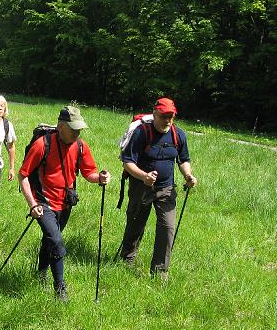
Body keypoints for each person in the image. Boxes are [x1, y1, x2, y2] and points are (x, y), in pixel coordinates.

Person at [19, 106, 110, 301]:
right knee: (56, 241)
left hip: (66, 204)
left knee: (49, 240)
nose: (77, 133)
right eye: (73, 129)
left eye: (79, 129)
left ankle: (41, 273)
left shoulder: (80, 146)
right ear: (60, 127)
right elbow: (23, 175)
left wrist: (100, 179)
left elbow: (89, 173)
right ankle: (60, 288)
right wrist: (32, 204)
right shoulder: (42, 145)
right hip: (43, 202)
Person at [118, 97, 197, 279]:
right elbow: (127, 162)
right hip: (141, 187)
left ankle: (160, 272)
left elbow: (183, 159)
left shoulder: (178, 135)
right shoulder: (141, 133)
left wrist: (188, 175)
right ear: (155, 114)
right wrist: (143, 176)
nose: (167, 120)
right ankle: (127, 258)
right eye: (163, 116)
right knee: (136, 223)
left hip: (166, 189)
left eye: (171, 117)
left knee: (167, 227)